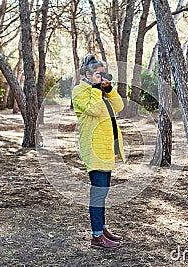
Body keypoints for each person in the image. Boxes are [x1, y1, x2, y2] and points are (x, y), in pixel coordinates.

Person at [72, 54, 126, 248]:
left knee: (103, 193)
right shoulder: (80, 90)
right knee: (97, 194)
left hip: (106, 149)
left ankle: (102, 228)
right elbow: (94, 110)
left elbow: (119, 106)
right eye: (98, 74)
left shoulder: (101, 91)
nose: (102, 77)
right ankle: (96, 237)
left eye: (104, 74)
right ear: (87, 74)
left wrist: (108, 89)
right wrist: (95, 88)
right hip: (94, 148)